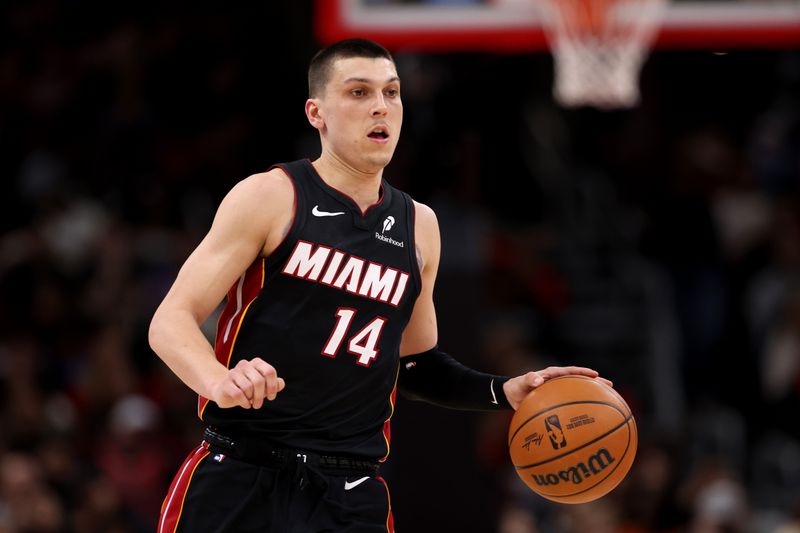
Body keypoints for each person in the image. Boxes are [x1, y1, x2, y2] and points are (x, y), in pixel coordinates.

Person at [148, 38, 611, 533]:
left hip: (349, 494)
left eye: (391, 93)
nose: (380, 106)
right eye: (358, 92)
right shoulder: (270, 196)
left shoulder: (420, 226)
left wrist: (505, 391)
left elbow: (414, 365)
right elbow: (169, 321)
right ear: (316, 112)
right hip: (240, 474)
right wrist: (218, 380)